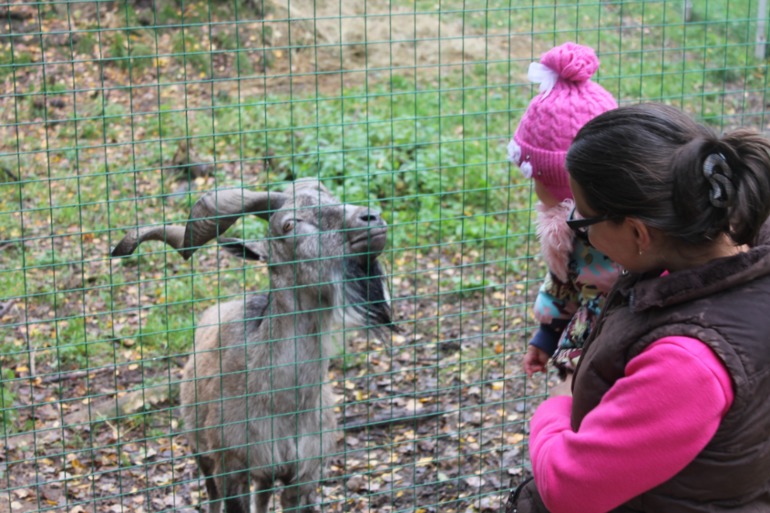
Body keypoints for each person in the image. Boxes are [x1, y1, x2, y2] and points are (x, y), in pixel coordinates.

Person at [506, 102, 770, 513]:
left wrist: (557, 403)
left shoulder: (686, 365)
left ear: (637, 232)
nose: (581, 231)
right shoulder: (731, 257)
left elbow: (567, 488)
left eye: (583, 221)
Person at [508, 42, 620, 379]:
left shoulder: (618, 236)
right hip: (586, 353)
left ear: (563, 183)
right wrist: (547, 335)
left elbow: (605, 305)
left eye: (537, 178)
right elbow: (564, 279)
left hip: (610, 356)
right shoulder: (563, 224)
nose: (535, 187)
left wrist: (574, 367)